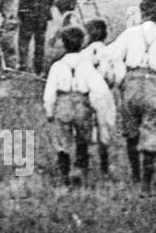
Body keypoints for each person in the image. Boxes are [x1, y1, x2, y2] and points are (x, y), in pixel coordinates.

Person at [107, 0, 156, 187]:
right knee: (154, 129)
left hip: (132, 83)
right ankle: (146, 182)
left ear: (142, 13)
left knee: (131, 129)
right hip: (153, 84)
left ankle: (135, 174)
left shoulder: (130, 33)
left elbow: (111, 54)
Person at [43, 25, 113, 186]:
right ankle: (80, 171)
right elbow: (100, 89)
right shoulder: (87, 65)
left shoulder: (57, 66)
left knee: (62, 140)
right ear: (82, 43)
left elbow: (49, 93)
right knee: (83, 139)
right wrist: (96, 107)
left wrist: (49, 111)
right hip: (82, 104)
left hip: (63, 104)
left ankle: (64, 174)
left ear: (63, 44)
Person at [80, 19, 120, 177]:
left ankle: (83, 164)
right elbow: (113, 77)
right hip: (104, 94)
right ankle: (104, 164)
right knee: (104, 127)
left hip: (85, 93)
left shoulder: (82, 54)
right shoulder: (110, 52)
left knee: (85, 128)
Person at [17, 0, 54, 75]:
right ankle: (38, 68)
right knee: (39, 42)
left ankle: (22, 64)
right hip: (42, 16)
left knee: (23, 40)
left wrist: (21, 12)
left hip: (29, 15)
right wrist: (47, 12)